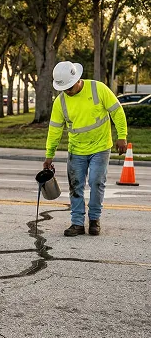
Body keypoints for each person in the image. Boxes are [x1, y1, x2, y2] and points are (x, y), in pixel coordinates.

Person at [43, 61, 128, 237]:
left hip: (101, 147)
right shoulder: (60, 102)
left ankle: (95, 220)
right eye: (63, 88)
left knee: (97, 182)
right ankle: (77, 223)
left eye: (69, 87)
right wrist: (49, 155)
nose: (66, 91)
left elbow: (117, 112)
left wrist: (122, 136)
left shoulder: (98, 89)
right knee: (75, 186)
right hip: (76, 150)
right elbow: (55, 130)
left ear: (77, 79)